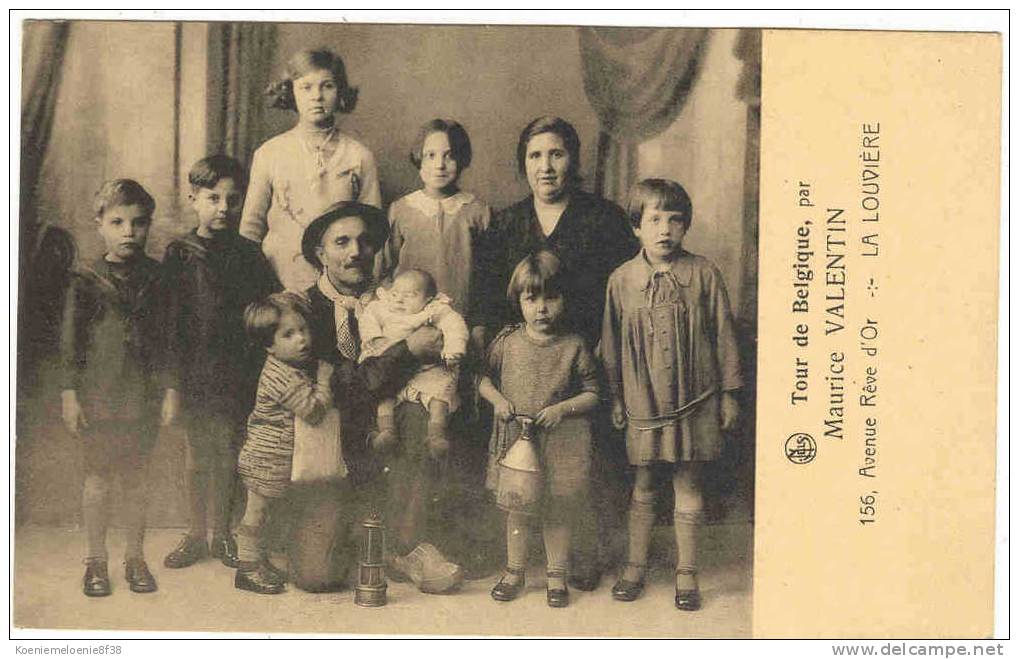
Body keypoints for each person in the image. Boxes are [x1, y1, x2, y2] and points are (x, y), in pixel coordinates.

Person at [474, 115, 639, 591]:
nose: (546, 166)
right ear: (523, 164)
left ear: (574, 160)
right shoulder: (506, 223)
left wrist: (608, 347)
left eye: (556, 154)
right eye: (535, 156)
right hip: (524, 360)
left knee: (578, 463)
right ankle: (514, 559)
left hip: (587, 356)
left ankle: (583, 551)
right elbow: (484, 301)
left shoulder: (602, 218)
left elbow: (626, 290)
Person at [284, 201, 461, 594]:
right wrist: (408, 351)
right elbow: (344, 390)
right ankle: (353, 531)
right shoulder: (304, 309)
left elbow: (433, 369)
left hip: (394, 434)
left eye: (364, 242)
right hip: (333, 446)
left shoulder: (399, 302)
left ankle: (406, 544)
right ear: (320, 253)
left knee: (420, 415)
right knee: (319, 576)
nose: (354, 253)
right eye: (341, 242)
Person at [601, 179, 742, 611]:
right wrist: (617, 398)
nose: (665, 229)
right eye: (654, 219)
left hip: (695, 397)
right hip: (644, 400)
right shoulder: (622, 280)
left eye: (675, 220)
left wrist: (729, 394)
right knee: (643, 484)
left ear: (685, 227)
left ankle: (687, 572)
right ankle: (635, 566)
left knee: (688, 480)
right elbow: (610, 344)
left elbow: (723, 336)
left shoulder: (703, 274)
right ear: (636, 227)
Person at [161, 155, 279, 572]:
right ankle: (195, 533)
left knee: (230, 453)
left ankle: (224, 533)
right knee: (196, 454)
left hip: (238, 372)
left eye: (233, 198)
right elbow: (170, 323)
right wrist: (173, 384)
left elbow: (270, 309)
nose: (224, 207)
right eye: (213, 198)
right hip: (195, 371)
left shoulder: (249, 254)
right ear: (194, 198)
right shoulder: (179, 253)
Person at [60, 179, 178, 597]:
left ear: (148, 226)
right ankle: (95, 561)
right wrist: (70, 394)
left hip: (142, 394)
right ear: (99, 225)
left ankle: (134, 557)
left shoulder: (159, 276)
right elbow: (71, 341)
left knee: (137, 479)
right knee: (98, 479)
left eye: (138, 223)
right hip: (100, 395)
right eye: (117, 222)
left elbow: (168, 339)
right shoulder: (85, 277)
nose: (129, 231)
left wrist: (169, 390)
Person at [479, 251, 600, 608]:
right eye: (531, 299)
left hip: (561, 441)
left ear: (565, 298)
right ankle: (514, 572)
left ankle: (556, 576)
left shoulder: (574, 345)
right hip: (517, 440)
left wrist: (563, 409)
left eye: (551, 297)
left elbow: (595, 393)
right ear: (518, 300)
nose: (542, 308)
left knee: (557, 509)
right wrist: (499, 401)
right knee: (518, 509)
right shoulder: (507, 342)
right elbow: (482, 380)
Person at [240, 48, 381, 292]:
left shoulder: (359, 156)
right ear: (291, 92)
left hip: (340, 283)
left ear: (340, 92)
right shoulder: (269, 153)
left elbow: (374, 232)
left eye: (327, 86)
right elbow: (250, 230)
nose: (317, 96)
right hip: (278, 280)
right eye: (306, 87)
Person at [234, 293, 334, 594]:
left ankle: (259, 560)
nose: (301, 339)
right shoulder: (281, 375)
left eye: (303, 330)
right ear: (269, 345)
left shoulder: (289, 367)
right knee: (256, 513)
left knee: (268, 513)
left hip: (277, 456)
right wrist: (325, 379)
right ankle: (247, 568)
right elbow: (313, 412)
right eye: (288, 334)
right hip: (266, 459)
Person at [375, 118, 491, 328]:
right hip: (407, 323)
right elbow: (384, 269)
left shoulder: (478, 211)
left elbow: (489, 276)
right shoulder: (401, 210)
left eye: (450, 156)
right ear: (419, 158)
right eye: (431, 156)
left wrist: (480, 325)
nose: (439, 165)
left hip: (462, 320)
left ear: (462, 159)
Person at [359, 269, 468, 456]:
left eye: (409, 296)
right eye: (395, 294)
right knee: (384, 398)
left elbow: (454, 325)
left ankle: (436, 435)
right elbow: (368, 319)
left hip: (426, 369)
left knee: (438, 398)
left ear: (428, 299)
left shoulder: (434, 310)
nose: (399, 300)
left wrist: (454, 348)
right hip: (391, 366)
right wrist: (374, 339)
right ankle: (386, 432)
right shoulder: (382, 307)